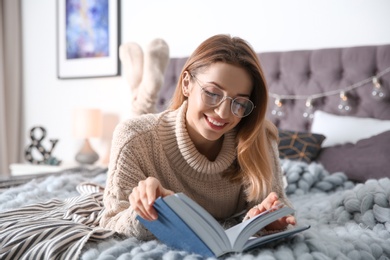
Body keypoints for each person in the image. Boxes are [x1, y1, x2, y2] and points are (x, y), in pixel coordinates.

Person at [100, 34, 296, 240]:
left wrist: (269, 221)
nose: (223, 113)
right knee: (140, 116)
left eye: (239, 103)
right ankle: (143, 97)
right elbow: (112, 222)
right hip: (153, 131)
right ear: (186, 83)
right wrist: (154, 212)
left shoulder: (259, 137)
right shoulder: (133, 137)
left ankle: (145, 94)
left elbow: (279, 206)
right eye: (212, 93)